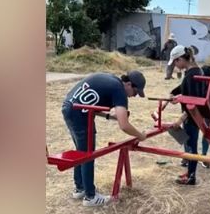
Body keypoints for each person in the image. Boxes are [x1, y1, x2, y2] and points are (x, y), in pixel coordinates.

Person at [62, 71, 148, 206]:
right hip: (80, 113)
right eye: (135, 92)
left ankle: (80, 188)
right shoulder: (119, 90)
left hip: (69, 107)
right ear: (129, 84)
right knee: (87, 154)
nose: (133, 96)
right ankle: (90, 197)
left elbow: (92, 102)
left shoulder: (111, 80)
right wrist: (140, 135)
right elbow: (124, 125)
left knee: (81, 151)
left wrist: (108, 116)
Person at [166, 45, 210, 185]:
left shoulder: (192, 75)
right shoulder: (193, 72)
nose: (175, 65)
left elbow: (194, 101)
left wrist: (180, 119)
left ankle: (191, 177)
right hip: (192, 116)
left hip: (192, 116)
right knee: (188, 143)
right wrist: (174, 94)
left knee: (191, 146)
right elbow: (183, 88)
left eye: (175, 62)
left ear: (180, 59)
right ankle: (190, 172)